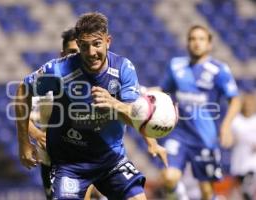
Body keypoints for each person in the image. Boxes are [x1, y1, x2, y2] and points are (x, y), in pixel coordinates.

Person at [15, 12, 167, 200]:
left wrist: (114, 104)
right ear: (78, 45)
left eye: (97, 44)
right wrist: (23, 142)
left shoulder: (123, 69)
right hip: (70, 164)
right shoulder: (59, 70)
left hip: (111, 160)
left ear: (108, 41)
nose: (91, 52)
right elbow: (23, 90)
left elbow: (134, 117)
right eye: (84, 46)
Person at [156, 25, 241, 200]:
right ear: (187, 43)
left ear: (209, 44)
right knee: (169, 177)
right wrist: (144, 93)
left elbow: (235, 100)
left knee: (207, 191)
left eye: (201, 39)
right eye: (193, 39)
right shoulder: (176, 66)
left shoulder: (219, 70)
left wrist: (226, 127)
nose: (196, 43)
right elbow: (162, 89)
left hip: (205, 137)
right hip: (178, 134)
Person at [27, 27, 79, 200]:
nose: (75, 56)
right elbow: (22, 113)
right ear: (61, 54)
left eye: (79, 51)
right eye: (71, 51)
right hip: (53, 163)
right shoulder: (48, 86)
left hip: (88, 160)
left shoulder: (97, 82)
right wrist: (38, 134)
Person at [231, 91, 256, 200]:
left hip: (252, 165)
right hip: (238, 163)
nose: (249, 105)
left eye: (251, 103)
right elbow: (228, 140)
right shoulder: (236, 121)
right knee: (241, 194)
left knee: (247, 192)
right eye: (246, 103)